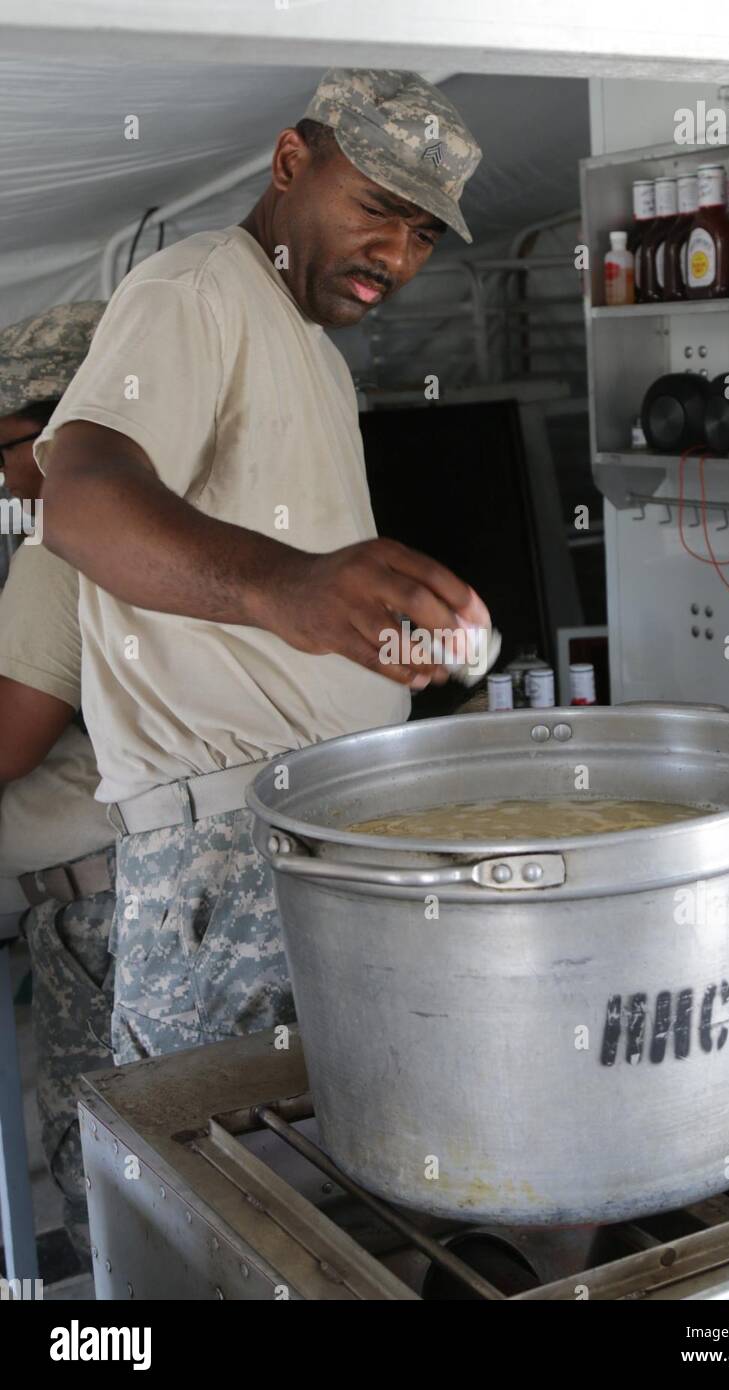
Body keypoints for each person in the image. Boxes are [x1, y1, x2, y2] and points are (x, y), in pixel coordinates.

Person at [34, 69, 485, 1066]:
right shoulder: (197, 286)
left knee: (333, 1190)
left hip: (317, 834)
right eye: (376, 209)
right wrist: (288, 587)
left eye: (420, 234)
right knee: (232, 1202)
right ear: (291, 162)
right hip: (226, 860)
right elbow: (79, 497)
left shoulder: (312, 346)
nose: (396, 255)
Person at [0, 300, 115, 1265]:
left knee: (117, 1199)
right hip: (221, 892)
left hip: (108, 924)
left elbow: (11, 743)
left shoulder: (61, 541)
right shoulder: (213, 513)